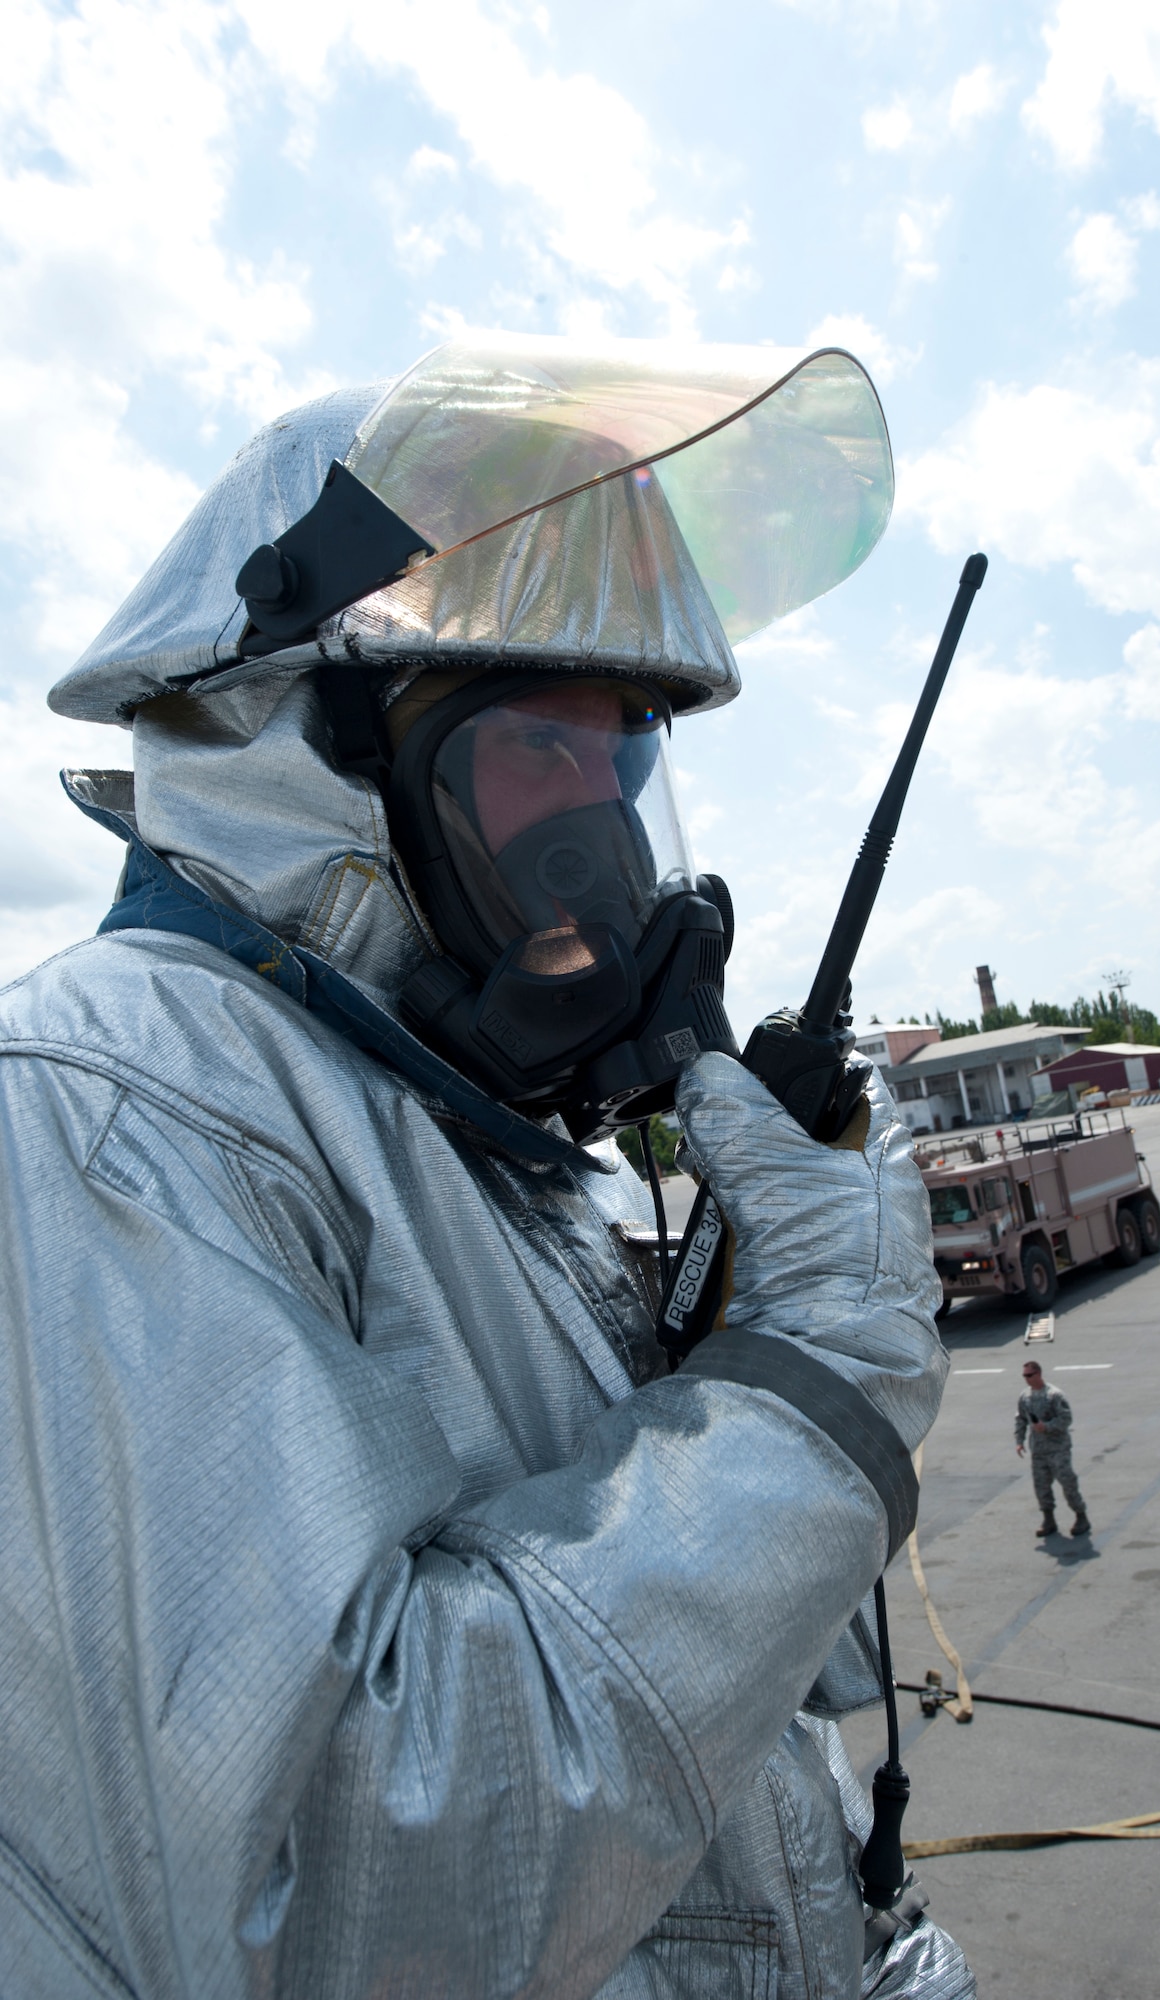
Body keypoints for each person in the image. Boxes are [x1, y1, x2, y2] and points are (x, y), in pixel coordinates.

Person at [0, 335, 975, 1998]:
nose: (599, 826)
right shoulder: (121, 1101)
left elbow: (708, 1711)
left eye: (625, 757)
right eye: (539, 743)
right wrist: (805, 1392)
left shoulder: (465, 1146)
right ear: (319, 758)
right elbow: (327, 1891)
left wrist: (711, 1371)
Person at [1016, 1360, 1091, 1537]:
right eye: (1024, 1376)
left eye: (1029, 1375)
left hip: (1058, 1449)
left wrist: (1047, 1427)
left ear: (1038, 1374)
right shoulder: (1025, 1397)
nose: (1026, 1379)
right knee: (1041, 1486)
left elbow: (1066, 1418)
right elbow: (1020, 1419)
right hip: (1038, 1451)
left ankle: (1081, 1516)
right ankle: (1048, 1520)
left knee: (1068, 1483)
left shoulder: (1054, 1395)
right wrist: (1019, 1441)